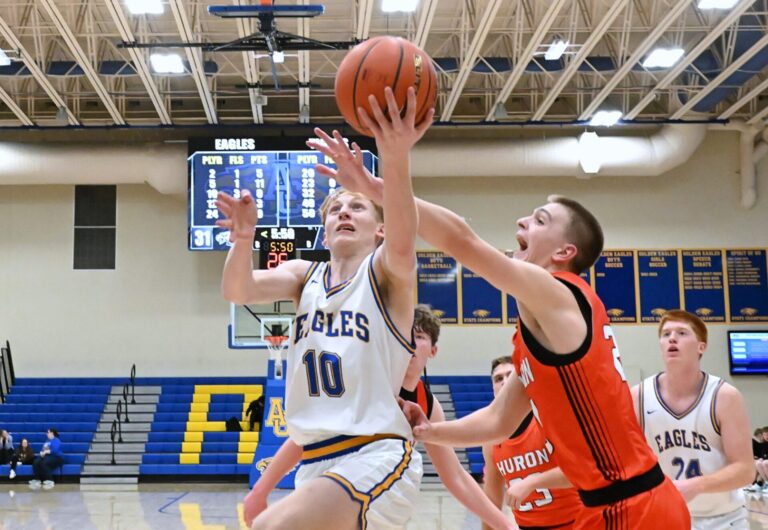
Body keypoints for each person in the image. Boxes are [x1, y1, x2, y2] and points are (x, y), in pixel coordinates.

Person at [311, 148, 690, 528]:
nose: (522, 220)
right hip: (606, 507)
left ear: (564, 252)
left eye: (539, 220)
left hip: (635, 506)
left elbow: (462, 240)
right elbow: (498, 420)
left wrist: (378, 188)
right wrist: (428, 430)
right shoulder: (540, 332)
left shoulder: (559, 291)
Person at [216, 86, 432, 530]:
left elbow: (406, 235)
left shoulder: (387, 275)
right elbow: (238, 291)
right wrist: (242, 241)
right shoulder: (303, 276)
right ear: (325, 227)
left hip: (375, 451)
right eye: (336, 209)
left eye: (358, 207)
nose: (345, 213)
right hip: (317, 459)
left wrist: (394, 156)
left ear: (379, 229)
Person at [241, 305, 515, 530]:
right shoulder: (368, 381)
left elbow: (454, 475)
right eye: (403, 336)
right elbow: (302, 440)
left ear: (433, 350)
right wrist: (260, 492)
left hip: (368, 497)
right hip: (331, 482)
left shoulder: (427, 405)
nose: (409, 343)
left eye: (418, 337)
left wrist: (502, 523)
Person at [630, 310, 754, 528]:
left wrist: (697, 485)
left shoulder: (724, 396)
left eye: (682, 333)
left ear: (701, 347)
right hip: (665, 516)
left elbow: (745, 470)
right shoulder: (638, 396)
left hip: (724, 519)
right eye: (666, 333)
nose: (672, 338)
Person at [482, 356, 582, 530]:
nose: (504, 382)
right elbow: (492, 500)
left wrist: (532, 482)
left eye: (510, 376)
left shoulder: (548, 417)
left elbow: (580, 471)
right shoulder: (491, 440)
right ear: (493, 388)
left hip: (576, 523)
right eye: (498, 379)